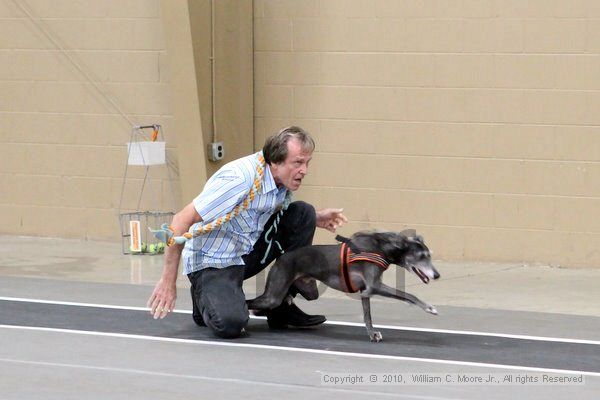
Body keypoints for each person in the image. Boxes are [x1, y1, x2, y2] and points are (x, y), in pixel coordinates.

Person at [147, 126, 347, 338]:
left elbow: (270, 211)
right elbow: (180, 221)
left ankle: (279, 304)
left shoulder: (279, 180)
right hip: (214, 262)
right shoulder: (238, 179)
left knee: (303, 213)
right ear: (275, 161)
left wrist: (317, 218)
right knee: (230, 324)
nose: (304, 170)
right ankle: (204, 298)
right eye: (298, 162)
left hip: (245, 252)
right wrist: (168, 282)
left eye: (307, 163)